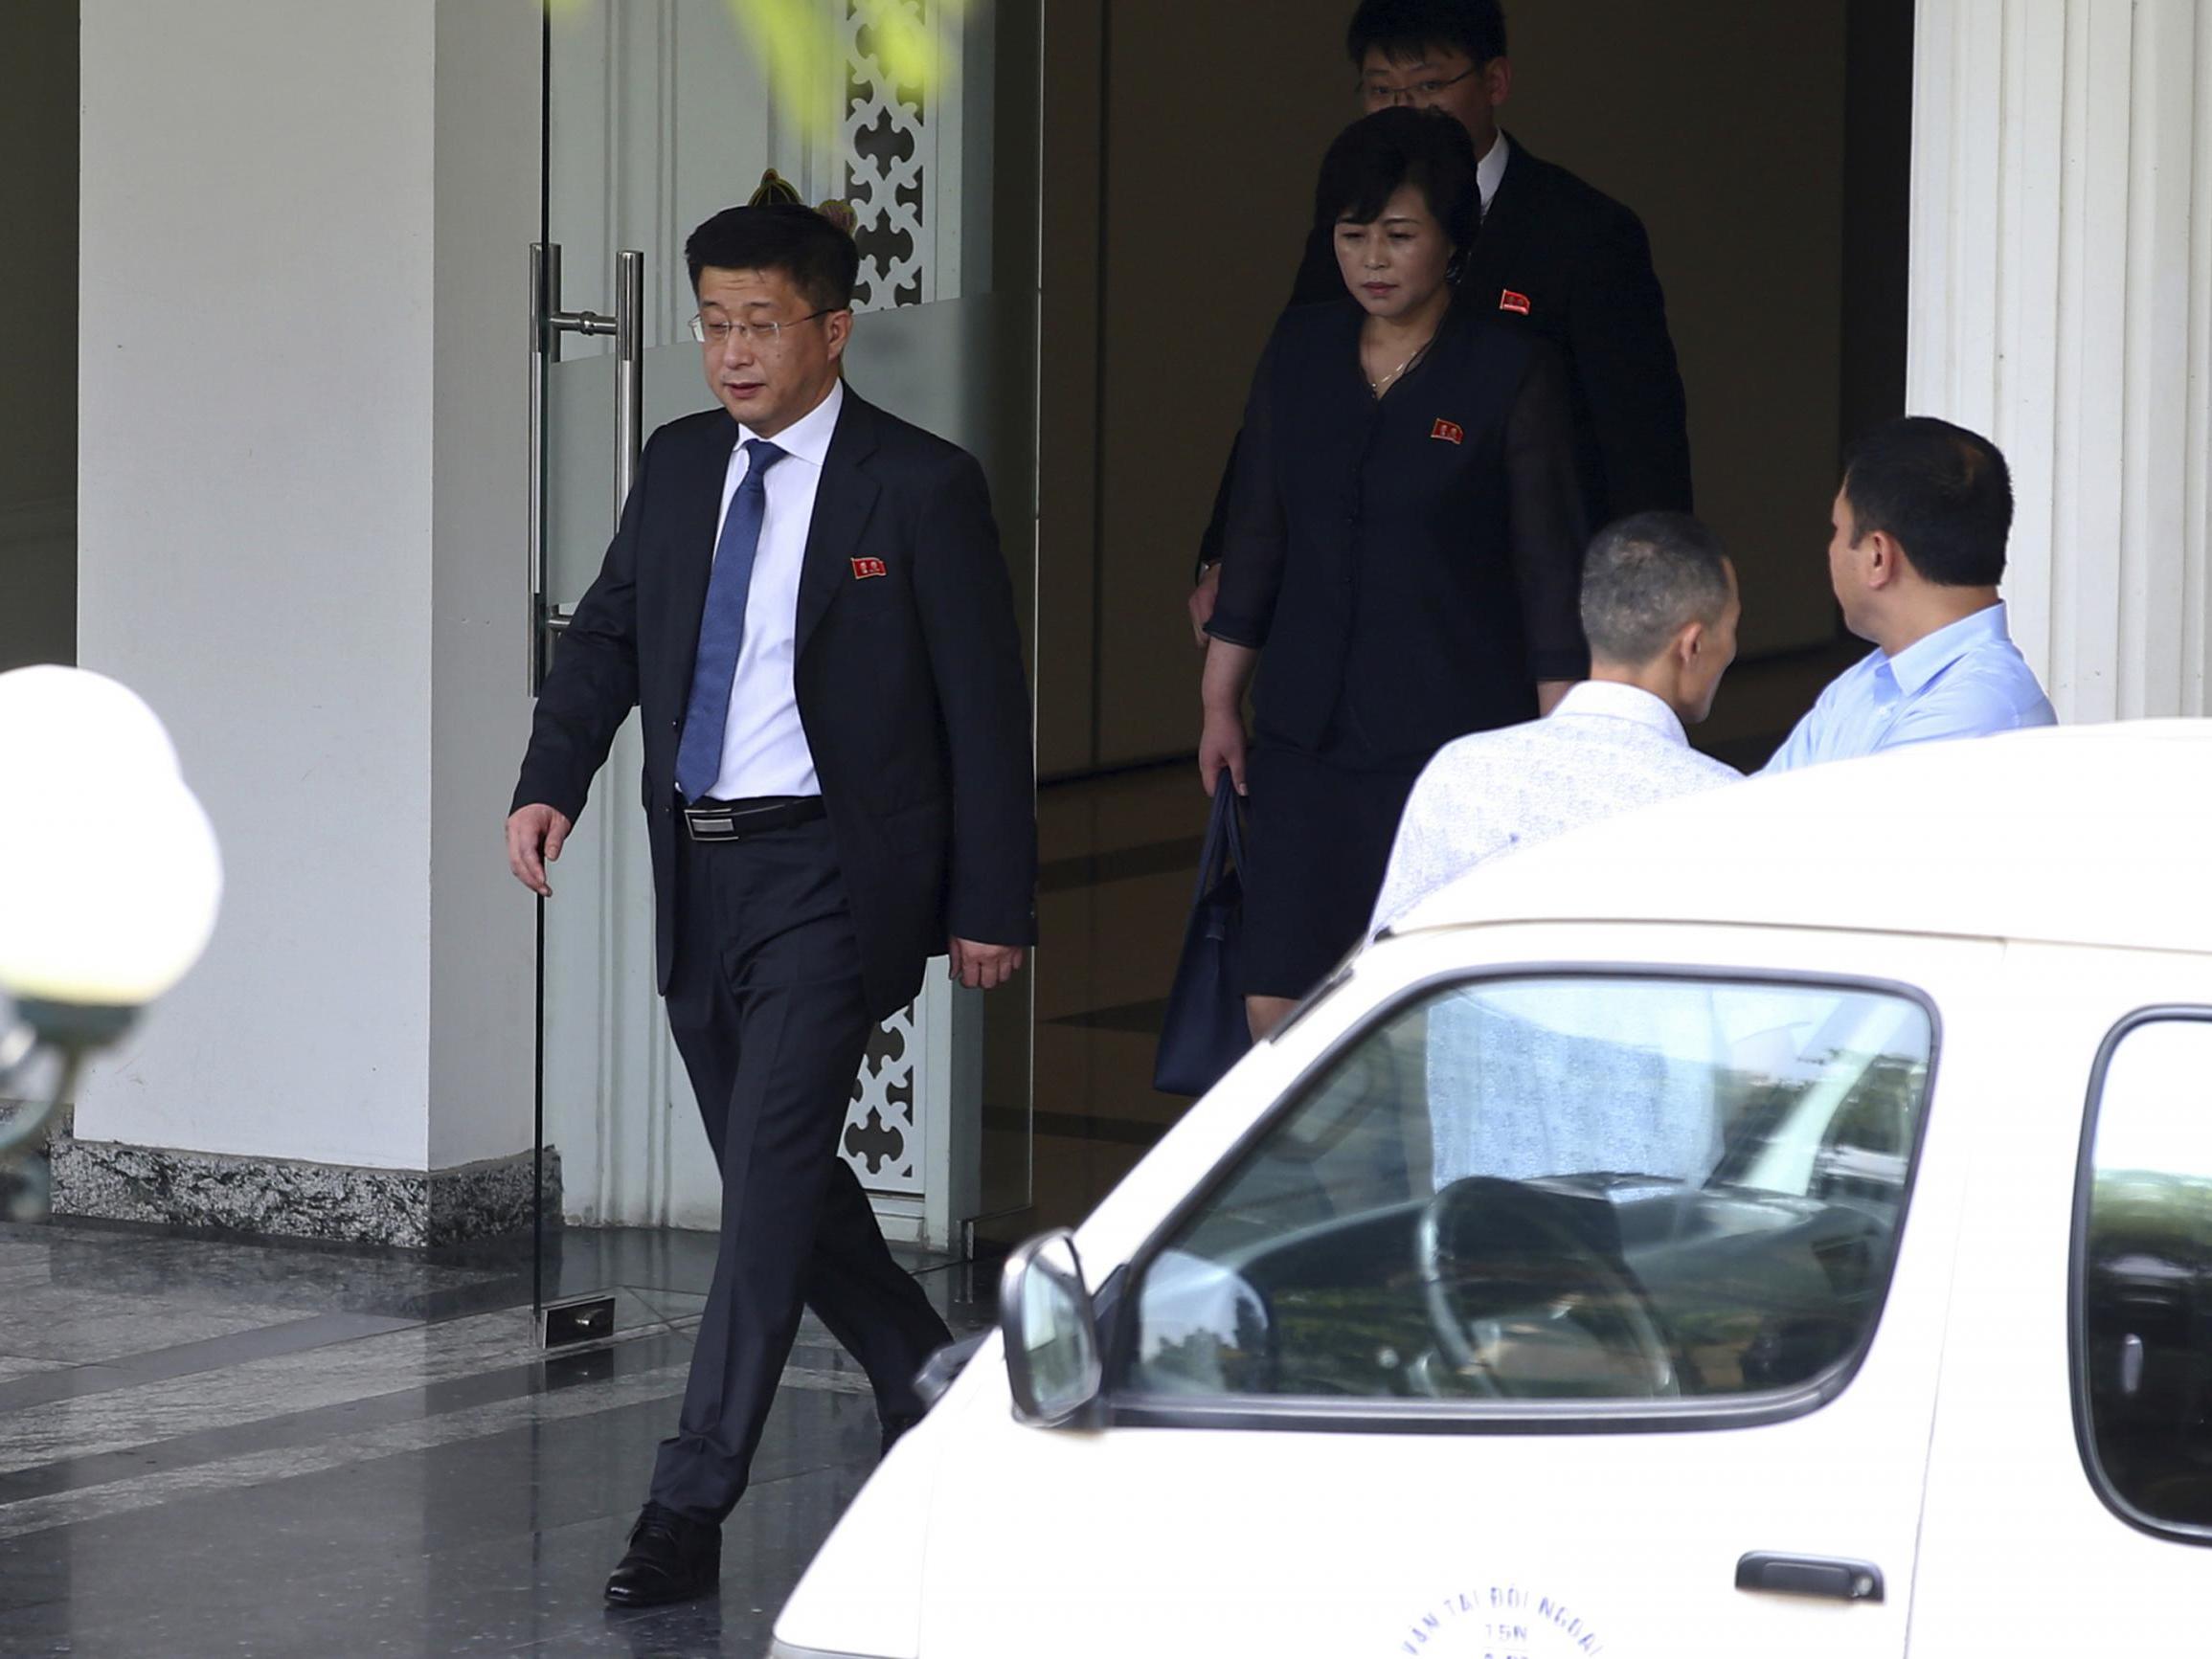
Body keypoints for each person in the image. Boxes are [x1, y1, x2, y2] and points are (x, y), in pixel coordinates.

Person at [505, 203, 1035, 1608]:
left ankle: (687, 1503)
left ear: (831, 329)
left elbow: (984, 710)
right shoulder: (680, 464)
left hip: (830, 880)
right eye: (713, 321)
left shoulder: (917, 487)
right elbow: (609, 627)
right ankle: (937, 1373)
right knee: (778, 1180)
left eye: (758, 323)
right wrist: (549, 774)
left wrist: (993, 899)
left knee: (765, 1191)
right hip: (702, 863)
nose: (729, 351)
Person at [1199, 106, 1588, 1039]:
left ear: (1454, 239)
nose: (1373, 258)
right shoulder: (1300, 353)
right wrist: (1220, 701)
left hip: (1452, 744)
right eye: (1353, 234)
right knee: (1276, 1008)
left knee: (1427, 1012)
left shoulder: (1508, 371)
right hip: (1302, 734)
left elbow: (1549, 569)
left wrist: (1560, 747)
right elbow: (1257, 530)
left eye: (1400, 234)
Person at [1190, 0, 1690, 645]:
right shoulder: (1343, 233)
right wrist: (1222, 555)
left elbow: (1640, 445)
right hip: (1353, 607)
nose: (1404, 111)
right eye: (1381, 90)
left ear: (1495, 82)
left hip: (1523, 612)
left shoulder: (1585, 232)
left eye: (1428, 86)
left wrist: (1647, 615)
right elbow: (1281, 404)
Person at [1369, 509, 1744, 932]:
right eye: (1732, 627)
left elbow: (1389, 956)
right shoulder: (1725, 808)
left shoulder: (1461, 772)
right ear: (1691, 645)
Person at [1764, 415, 2055, 773]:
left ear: (1877, 556)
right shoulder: (1863, 682)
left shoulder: (1979, 708)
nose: (1831, 550)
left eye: (1837, 530)